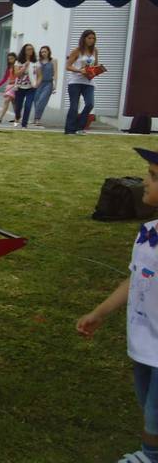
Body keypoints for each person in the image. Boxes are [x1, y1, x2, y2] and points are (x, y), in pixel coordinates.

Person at [76, 147, 158, 463]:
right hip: (144, 341)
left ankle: (150, 456)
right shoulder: (148, 233)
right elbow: (135, 279)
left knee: (154, 410)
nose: (145, 182)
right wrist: (99, 313)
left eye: (153, 177)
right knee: (146, 399)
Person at [65, 30, 99, 135]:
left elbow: (95, 65)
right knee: (74, 106)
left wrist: (96, 70)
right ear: (84, 38)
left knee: (90, 104)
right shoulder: (77, 51)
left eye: (93, 38)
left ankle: (80, 127)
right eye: (89, 38)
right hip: (75, 81)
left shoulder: (95, 51)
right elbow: (68, 66)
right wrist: (80, 70)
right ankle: (70, 129)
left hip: (89, 82)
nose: (91, 40)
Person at [12, 43, 42, 128]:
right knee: (18, 106)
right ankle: (17, 116)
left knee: (28, 105)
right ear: (24, 51)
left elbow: (40, 76)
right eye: (28, 49)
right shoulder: (18, 62)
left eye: (31, 49)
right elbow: (16, 74)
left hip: (31, 87)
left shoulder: (36, 63)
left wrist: (37, 84)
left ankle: (24, 124)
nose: (30, 51)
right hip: (19, 87)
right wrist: (24, 67)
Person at [32, 46, 57, 128]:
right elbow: (34, 73)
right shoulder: (38, 61)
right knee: (36, 101)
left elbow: (55, 73)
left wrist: (55, 85)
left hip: (48, 83)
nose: (43, 53)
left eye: (45, 51)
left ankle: (37, 119)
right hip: (39, 83)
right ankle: (36, 118)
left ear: (49, 52)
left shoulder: (53, 61)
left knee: (42, 100)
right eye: (42, 52)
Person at [0, 52, 18, 124]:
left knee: (7, 101)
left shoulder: (17, 66)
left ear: (15, 58)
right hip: (9, 86)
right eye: (9, 59)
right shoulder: (9, 68)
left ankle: (0, 117)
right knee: (13, 103)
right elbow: (4, 79)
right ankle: (17, 117)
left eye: (12, 58)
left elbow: (18, 76)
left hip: (15, 86)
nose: (10, 60)